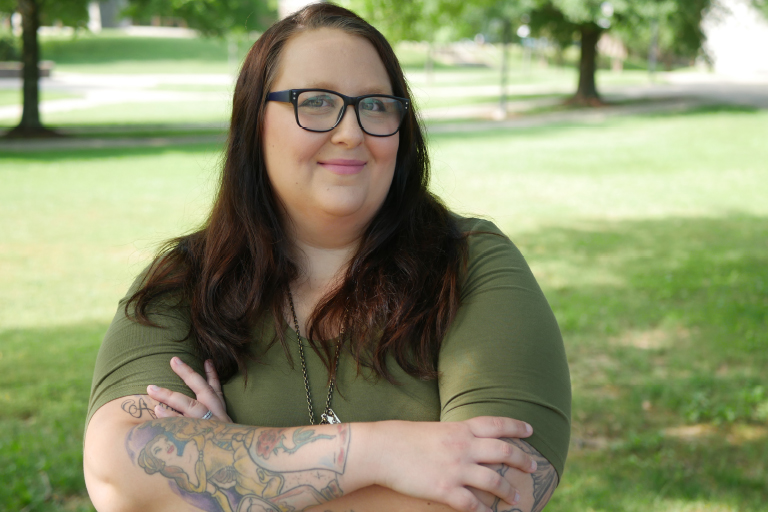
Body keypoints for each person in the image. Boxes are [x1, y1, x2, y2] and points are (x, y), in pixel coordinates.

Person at [83, 4, 571, 512]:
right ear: (254, 121)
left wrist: (228, 475)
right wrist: (383, 452)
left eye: (377, 105)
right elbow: (119, 475)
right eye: (314, 101)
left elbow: (503, 490)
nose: (351, 132)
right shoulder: (186, 283)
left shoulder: (469, 266)